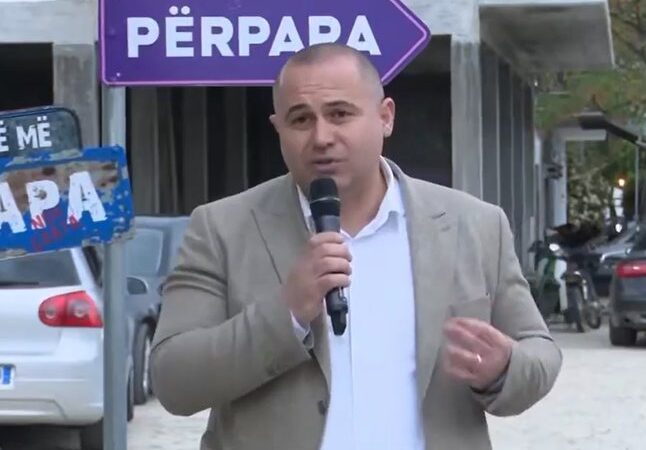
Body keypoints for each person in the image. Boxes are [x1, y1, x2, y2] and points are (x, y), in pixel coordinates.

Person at [150, 43, 563, 450]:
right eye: (300, 119)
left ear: (385, 117)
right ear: (278, 129)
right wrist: (285, 314)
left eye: (340, 114)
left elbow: (540, 352)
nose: (321, 137)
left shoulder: (474, 225)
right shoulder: (221, 228)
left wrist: (503, 368)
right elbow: (173, 381)